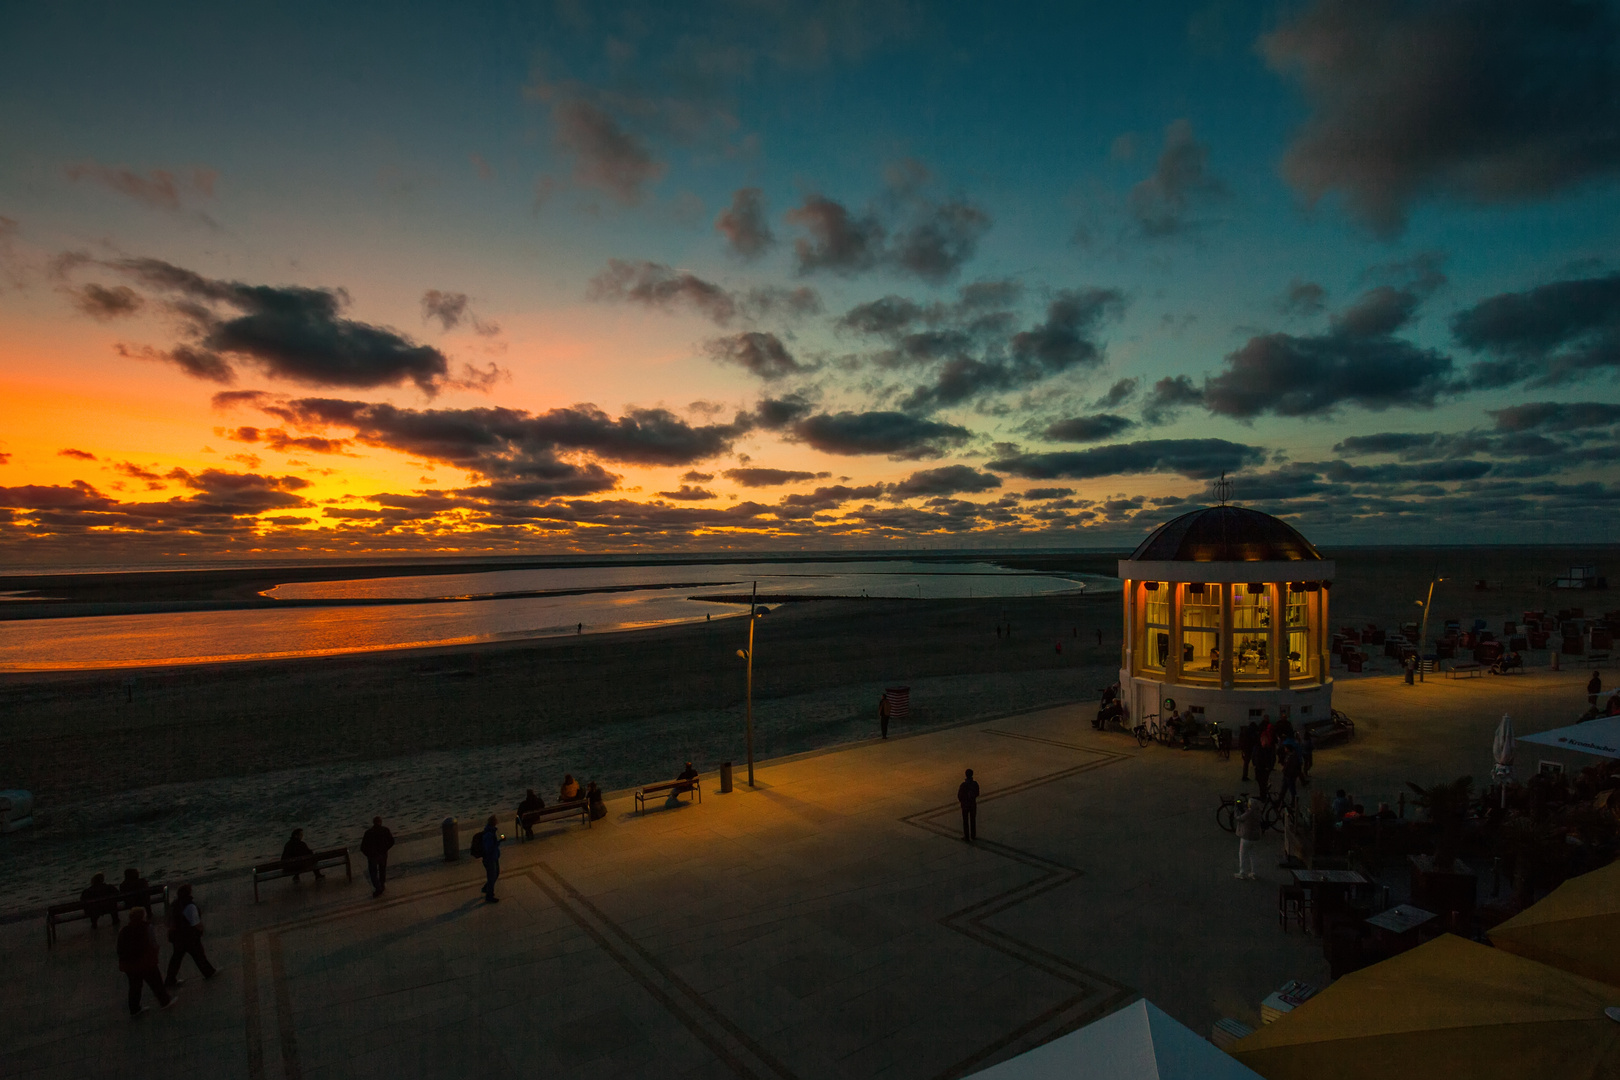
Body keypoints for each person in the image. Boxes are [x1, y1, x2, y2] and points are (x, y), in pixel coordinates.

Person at [117, 908, 170, 1016]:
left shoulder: (124, 930)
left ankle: (134, 1008)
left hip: (129, 964)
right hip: (145, 961)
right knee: (156, 982)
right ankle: (165, 1001)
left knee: (135, 986)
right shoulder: (146, 927)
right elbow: (152, 942)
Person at [164, 883, 216, 987]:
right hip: (189, 936)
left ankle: (170, 979)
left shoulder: (175, 904)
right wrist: (201, 930)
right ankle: (208, 972)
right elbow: (195, 923)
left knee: (176, 958)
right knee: (198, 955)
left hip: (177, 937)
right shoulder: (190, 906)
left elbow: (169, 921)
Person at [360, 817, 395, 897]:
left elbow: (363, 847)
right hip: (382, 854)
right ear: (381, 822)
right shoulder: (385, 830)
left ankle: (378, 887)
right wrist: (385, 848)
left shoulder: (368, 833)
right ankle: (381, 885)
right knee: (382, 870)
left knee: (373, 872)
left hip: (373, 856)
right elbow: (392, 841)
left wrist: (368, 854)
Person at [1234, 796, 1261, 879]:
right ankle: (1254, 873)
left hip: (1246, 837)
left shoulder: (1249, 813)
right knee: (1253, 855)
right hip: (1255, 837)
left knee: (1242, 854)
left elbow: (1239, 818)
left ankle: (1242, 873)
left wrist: (1236, 809)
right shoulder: (1258, 812)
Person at [479, 815, 501, 903]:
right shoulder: (489, 834)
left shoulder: (491, 831)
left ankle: (487, 888)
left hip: (493, 857)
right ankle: (489, 895)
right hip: (490, 858)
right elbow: (489, 848)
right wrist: (497, 843)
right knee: (492, 876)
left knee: (495, 873)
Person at [957, 768, 980, 842]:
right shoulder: (975, 784)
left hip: (965, 805)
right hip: (972, 805)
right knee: (973, 820)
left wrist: (963, 801)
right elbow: (977, 793)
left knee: (965, 821)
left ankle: (966, 836)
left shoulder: (963, 785)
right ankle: (973, 835)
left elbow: (960, 796)